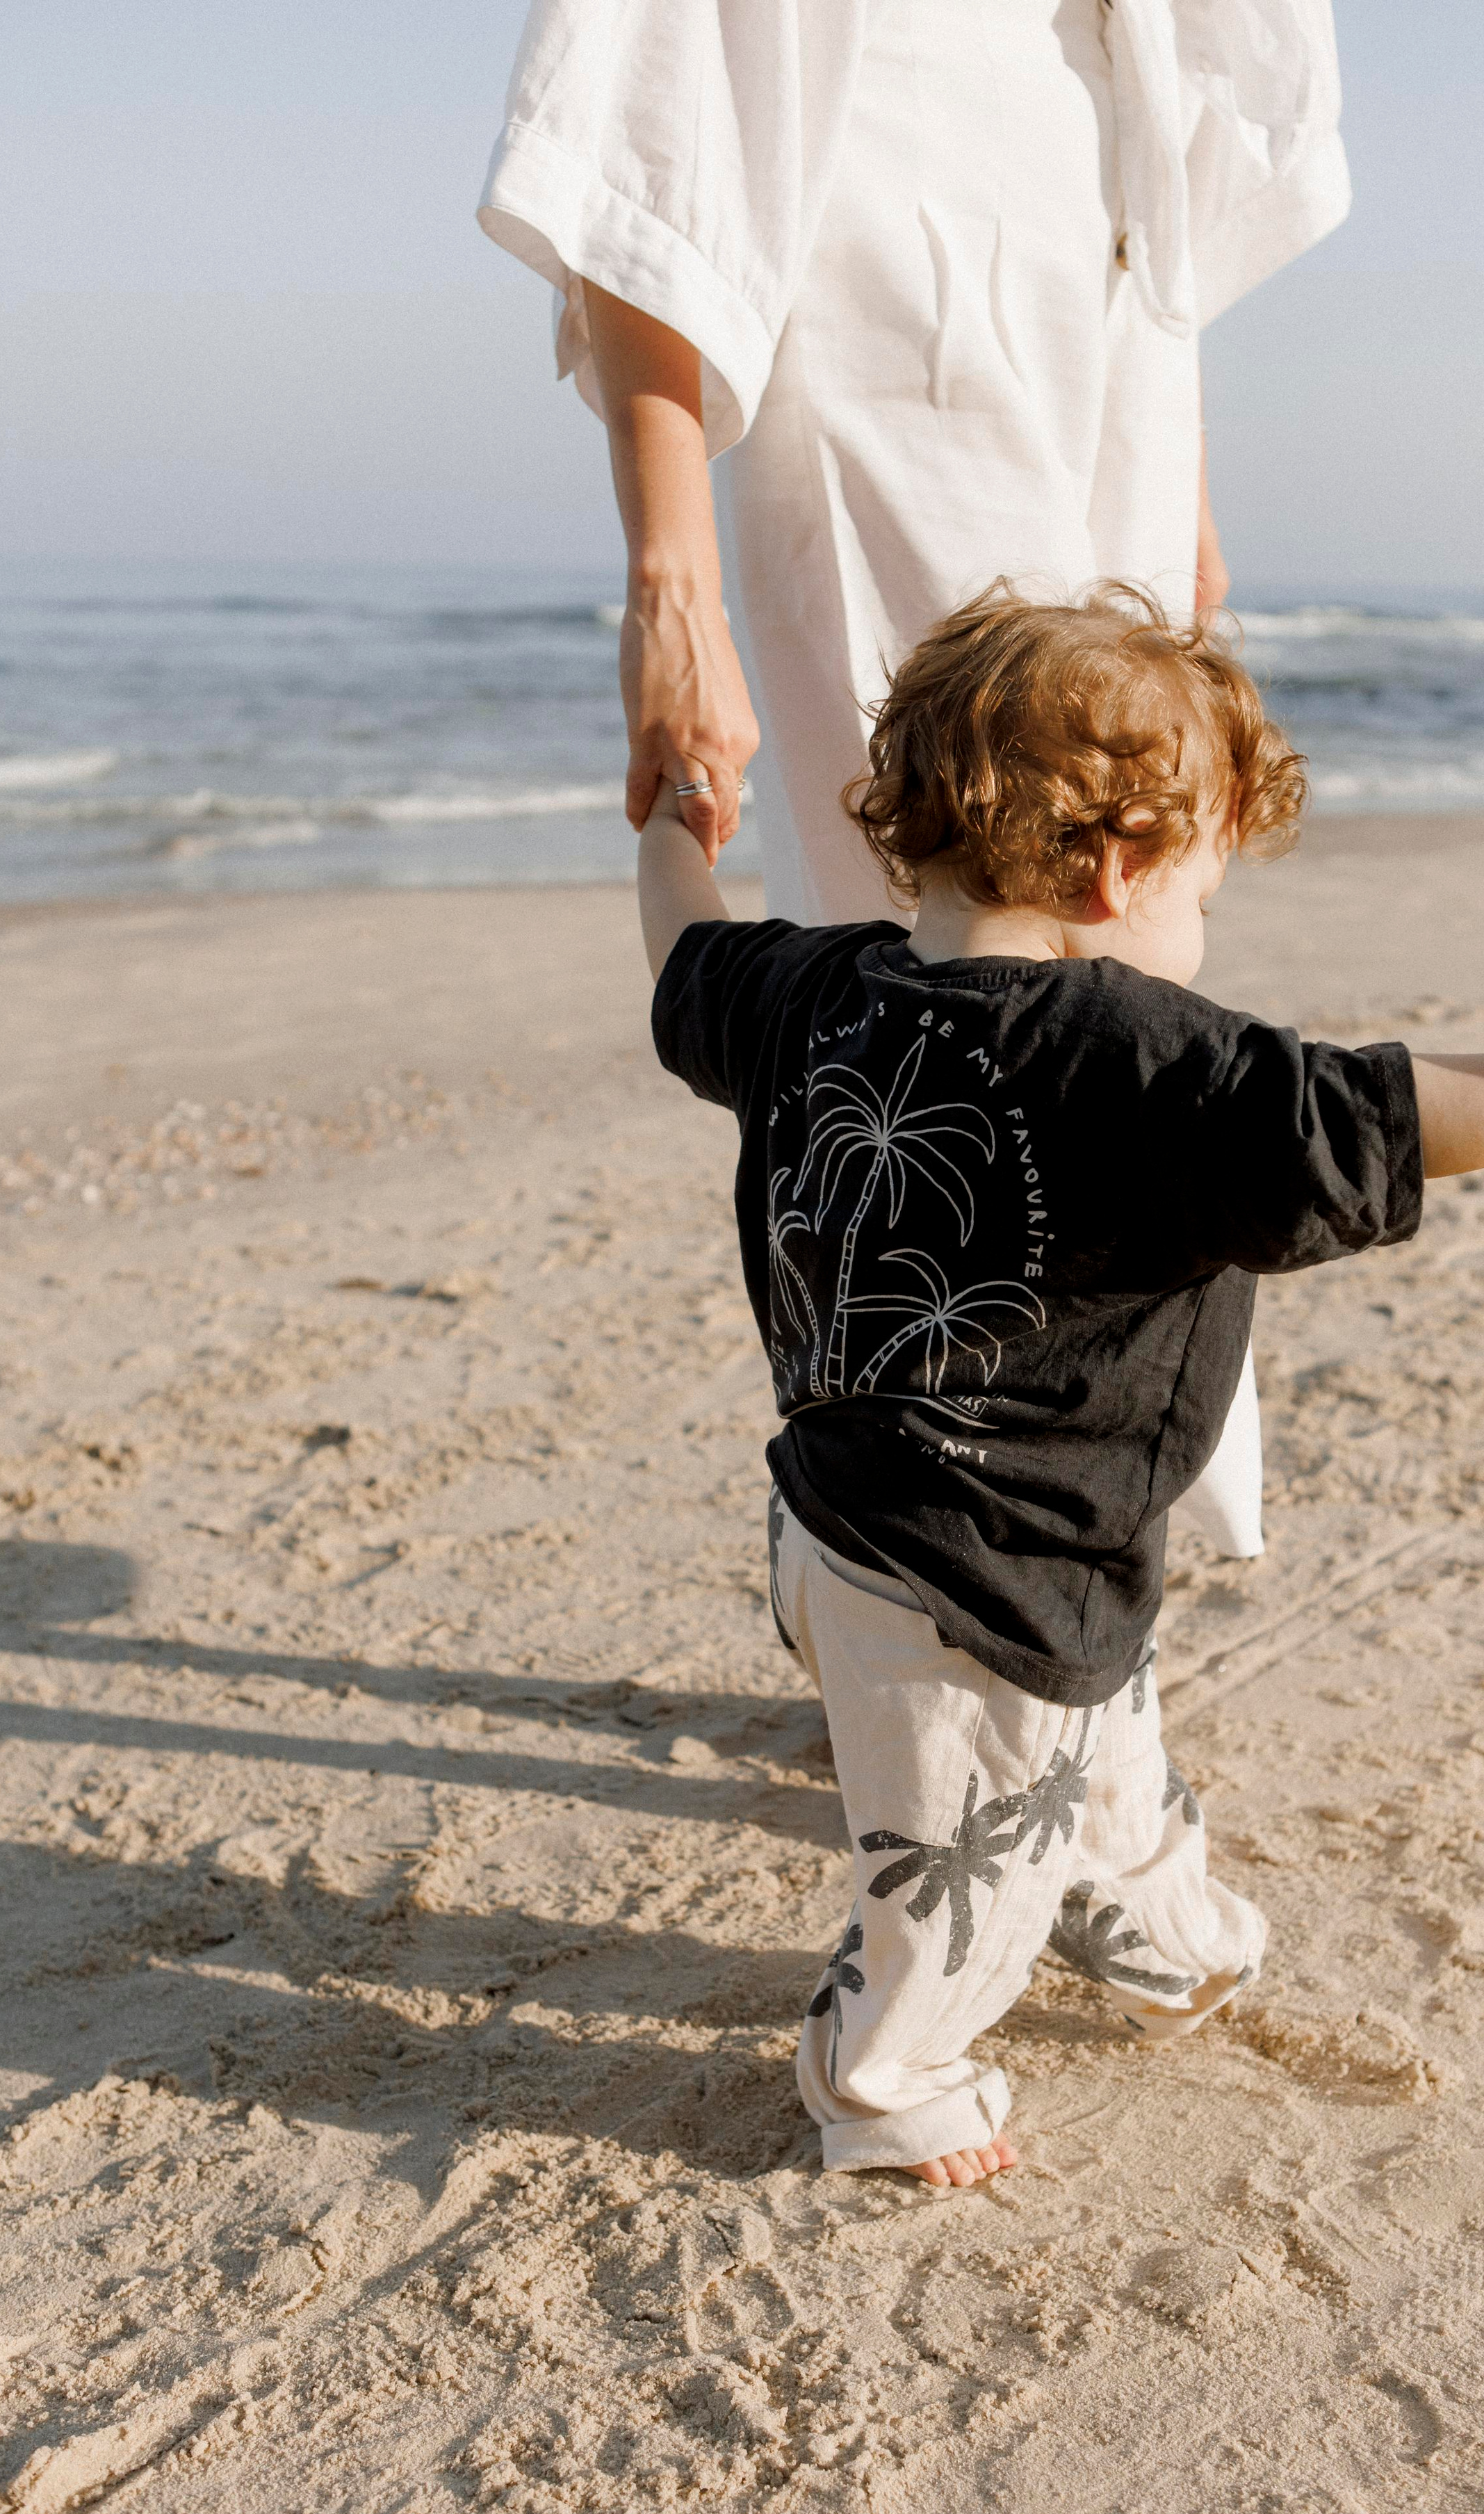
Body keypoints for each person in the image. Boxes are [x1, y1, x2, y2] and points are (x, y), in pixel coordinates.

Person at [637, 582, 1484, 2186]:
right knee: (949, 1870)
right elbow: (1369, 1124)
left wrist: (668, 818)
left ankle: (1143, 1919)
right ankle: (882, 2078)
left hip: (887, 1523)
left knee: (1105, 1736)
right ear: (1117, 863)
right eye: (1205, 882)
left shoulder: (816, 991)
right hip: (960, 1593)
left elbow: (685, 950)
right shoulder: (1130, 1058)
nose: (1200, 928)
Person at [478, 0, 1353, 1556]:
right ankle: (925, 1544)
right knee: (938, 960)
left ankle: (1084, 1503)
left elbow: (1173, 108)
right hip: (879, 236)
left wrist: (1179, 480)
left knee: (1127, 926)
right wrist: (668, 592)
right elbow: (653, 121)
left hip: (1104, 242)